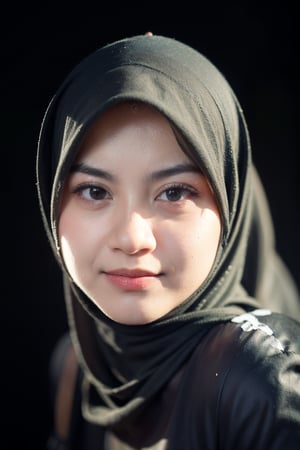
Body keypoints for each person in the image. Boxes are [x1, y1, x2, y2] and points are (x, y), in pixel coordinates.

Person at [36, 33, 300, 449]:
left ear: (230, 201)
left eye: (174, 192)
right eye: (94, 191)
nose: (132, 238)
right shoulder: (77, 366)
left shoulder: (265, 385)